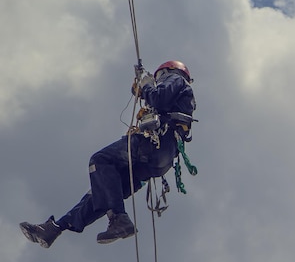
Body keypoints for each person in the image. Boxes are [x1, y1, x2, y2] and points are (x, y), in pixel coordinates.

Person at [20, 60, 196, 248]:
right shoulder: (180, 96)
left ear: (168, 71)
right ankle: (56, 228)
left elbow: (158, 97)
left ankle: (119, 219)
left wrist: (145, 85)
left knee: (100, 160)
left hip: (153, 144)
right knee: (104, 190)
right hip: (160, 158)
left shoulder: (175, 79)